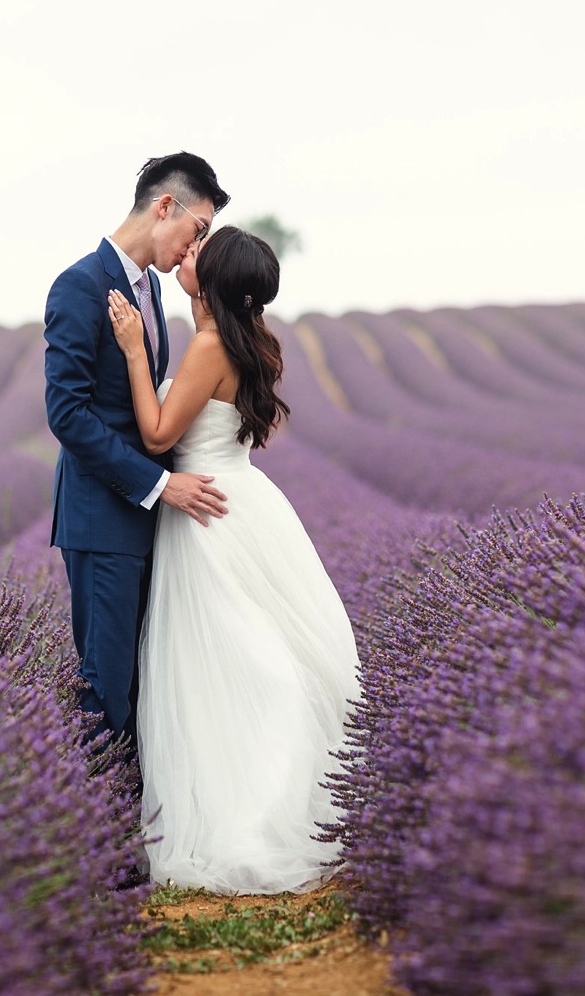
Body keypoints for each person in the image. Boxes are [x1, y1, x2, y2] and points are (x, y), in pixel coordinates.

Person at [106, 226, 362, 895]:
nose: (188, 252)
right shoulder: (245, 340)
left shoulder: (210, 345)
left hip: (205, 514)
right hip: (245, 503)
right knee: (246, 657)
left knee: (223, 661)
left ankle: (248, 820)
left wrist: (133, 352)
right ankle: (271, 802)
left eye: (201, 251)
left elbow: (158, 434)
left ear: (214, 279)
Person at [43, 153, 232, 772]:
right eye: (197, 229)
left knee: (146, 683)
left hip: (152, 522)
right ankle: (98, 818)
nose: (195, 246)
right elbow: (67, 414)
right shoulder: (79, 285)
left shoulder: (150, 289)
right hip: (103, 520)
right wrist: (159, 483)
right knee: (106, 687)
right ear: (164, 207)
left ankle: (134, 813)